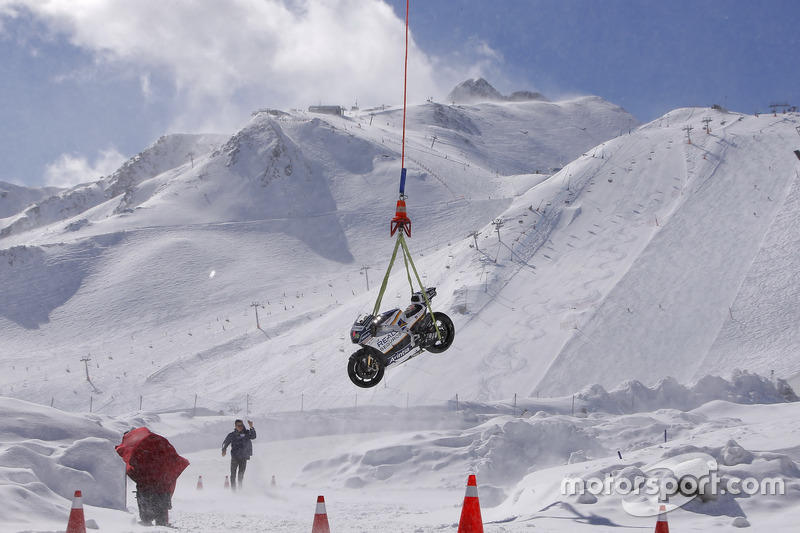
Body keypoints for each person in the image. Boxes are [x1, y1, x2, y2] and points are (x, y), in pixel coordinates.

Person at [221, 419, 256, 491]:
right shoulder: (232, 434)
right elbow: (226, 442)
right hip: (235, 457)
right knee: (233, 475)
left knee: (241, 475)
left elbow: (253, 436)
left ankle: (240, 490)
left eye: (241, 425)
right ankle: (234, 491)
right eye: (238, 426)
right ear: (235, 426)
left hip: (243, 457)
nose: (240, 427)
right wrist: (224, 449)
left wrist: (251, 427)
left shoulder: (246, 433)